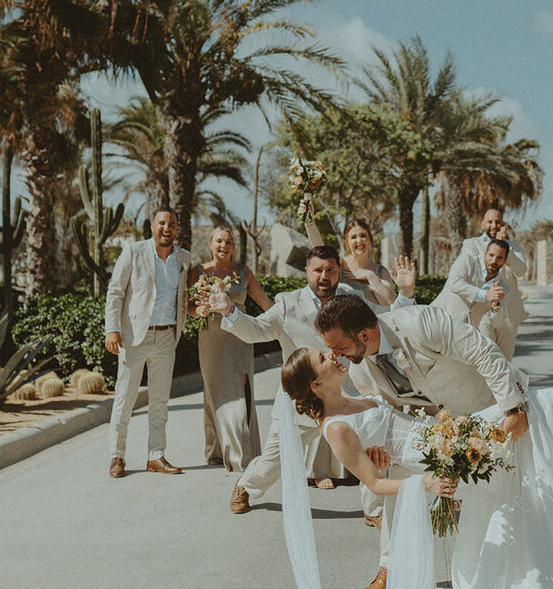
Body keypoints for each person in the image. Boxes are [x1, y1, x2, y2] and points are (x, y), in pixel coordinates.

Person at [272, 340, 553, 589]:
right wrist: (428, 484)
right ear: (316, 385)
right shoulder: (335, 429)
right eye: (323, 357)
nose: (333, 354)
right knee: (538, 407)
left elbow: (386, 439)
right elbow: (373, 484)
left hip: (445, 436)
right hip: (444, 458)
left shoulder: (352, 395)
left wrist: (388, 450)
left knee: (535, 419)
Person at [310, 295, 553, 589]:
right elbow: (387, 411)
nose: (335, 355)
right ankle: (390, 568)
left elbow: (484, 353)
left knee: (538, 481)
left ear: (363, 334)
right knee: (399, 480)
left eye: (339, 346)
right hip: (434, 434)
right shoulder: (359, 369)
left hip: (489, 407)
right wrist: (378, 451)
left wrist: (513, 408)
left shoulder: (420, 323)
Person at [209, 246, 417, 510]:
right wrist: (230, 312)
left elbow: (385, 321)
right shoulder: (286, 303)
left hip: (347, 401)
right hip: (300, 401)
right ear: (307, 271)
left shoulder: (353, 299)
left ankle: (374, 511)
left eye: (331, 270)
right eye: (318, 270)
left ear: (339, 272)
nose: (324, 276)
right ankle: (246, 485)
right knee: (274, 461)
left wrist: (406, 293)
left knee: (372, 454)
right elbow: (257, 330)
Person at [103, 208, 192, 478]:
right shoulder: (134, 251)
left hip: (167, 337)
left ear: (177, 229)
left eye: (172, 224)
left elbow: (185, 297)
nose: (167, 228)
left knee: (160, 401)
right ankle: (117, 457)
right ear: (152, 226)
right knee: (125, 399)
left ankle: (156, 456)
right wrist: (112, 329)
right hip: (134, 338)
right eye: (162, 223)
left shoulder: (184, 258)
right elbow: (116, 291)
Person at [187, 226, 274, 471]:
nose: (224, 246)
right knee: (214, 392)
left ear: (233, 247)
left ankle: (237, 450)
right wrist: (199, 311)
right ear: (210, 244)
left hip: (240, 339)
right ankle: (224, 451)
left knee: (241, 390)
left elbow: (265, 302)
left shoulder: (243, 272)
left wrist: (286, 321)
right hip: (212, 339)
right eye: (219, 241)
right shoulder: (198, 272)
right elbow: (189, 307)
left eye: (229, 242)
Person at [431, 238, 526, 359]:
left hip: (464, 337)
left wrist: (495, 306)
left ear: (505, 260)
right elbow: (454, 284)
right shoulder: (467, 261)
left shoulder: (503, 287)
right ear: (485, 253)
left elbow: (497, 322)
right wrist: (485, 295)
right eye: (491, 255)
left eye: (499, 258)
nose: (494, 261)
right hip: (438, 324)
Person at [305, 209, 399, 310]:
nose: (359, 241)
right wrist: (309, 222)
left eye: (363, 236)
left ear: (370, 239)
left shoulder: (381, 271)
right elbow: (321, 251)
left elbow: (390, 303)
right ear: (347, 242)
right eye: (353, 237)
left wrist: (370, 276)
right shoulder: (339, 264)